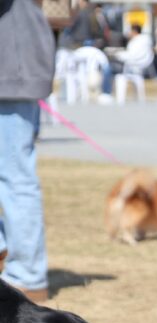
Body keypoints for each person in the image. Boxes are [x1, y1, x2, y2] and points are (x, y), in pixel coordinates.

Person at [0, 0, 55, 303]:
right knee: (13, 175)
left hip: (11, 70)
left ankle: (26, 276)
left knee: (15, 177)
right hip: (15, 64)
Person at [98, 24, 154, 104]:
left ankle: (106, 93)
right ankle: (107, 93)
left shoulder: (136, 42)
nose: (128, 33)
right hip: (137, 67)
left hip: (131, 66)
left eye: (129, 31)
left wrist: (117, 54)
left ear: (134, 31)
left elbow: (131, 55)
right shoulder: (146, 41)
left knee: (107, 68)